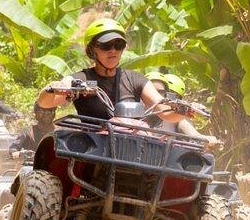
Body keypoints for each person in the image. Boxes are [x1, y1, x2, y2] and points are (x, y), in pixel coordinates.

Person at [34, 19, 177, 135]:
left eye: (118, 45)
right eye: (106, 46)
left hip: (133, 144)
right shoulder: (82, 79)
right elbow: (47, 103)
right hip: (94, 147)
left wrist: (183, 111)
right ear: (91, 50)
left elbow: (164, 109)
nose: (113, 50)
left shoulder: (136, 79)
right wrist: (53, 88)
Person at [145, 70, 224, 150]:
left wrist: (204, 139)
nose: (156, 96)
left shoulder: (176, 118)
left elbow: (193, 134)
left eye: (162, 92)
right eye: (151, 92)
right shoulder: (137, 108)